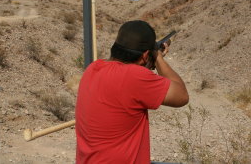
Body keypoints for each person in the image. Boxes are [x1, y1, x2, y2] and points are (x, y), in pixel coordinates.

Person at [75, 20, 189, 164]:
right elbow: (182, 96)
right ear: (145, 56)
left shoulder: (93, 68)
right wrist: (158, 57)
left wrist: (149, 58)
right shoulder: (135, 77)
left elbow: (127, 84)